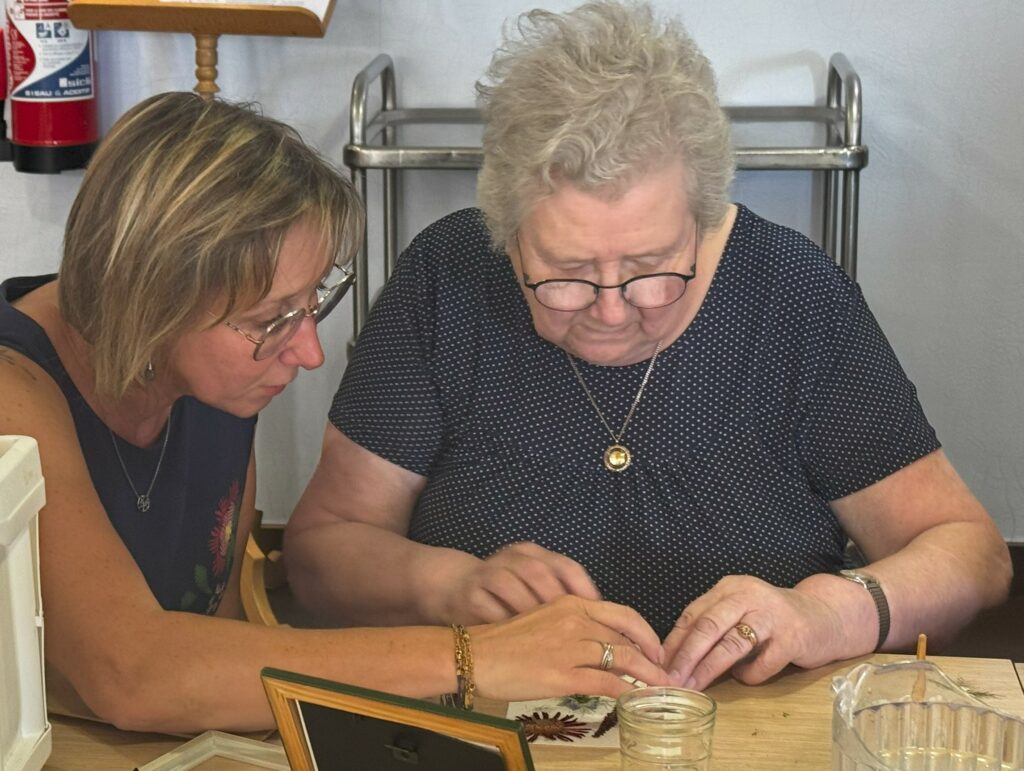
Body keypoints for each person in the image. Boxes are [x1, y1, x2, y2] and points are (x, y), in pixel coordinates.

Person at [285, 0, 1012, 693]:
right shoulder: (447, 278)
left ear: (704, 216)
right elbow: (322, 551)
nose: (609, 310)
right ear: (504, 231)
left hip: (753, 731)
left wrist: (831, 610)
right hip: (502, 728)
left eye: (649, 270)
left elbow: (970, 553)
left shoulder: (793, 296)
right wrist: (444, 583)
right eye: (564, 275)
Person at [0, 91, 671, 735]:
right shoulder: (13, 390)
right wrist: (475, 656)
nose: (309, 351)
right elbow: (134, 672)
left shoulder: (214, 383)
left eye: (309, 302)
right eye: (272, 319)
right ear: (152, 299)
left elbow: (220, 648)